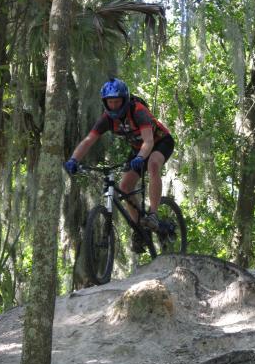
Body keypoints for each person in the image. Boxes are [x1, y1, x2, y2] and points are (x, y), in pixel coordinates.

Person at [64, 78, 174, 253]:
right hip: (139, 150)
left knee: (153, 164)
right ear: (105, 103)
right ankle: (140, 229)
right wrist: (73, 160)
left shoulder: (138, 111)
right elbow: (88, 141)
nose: (114, 105)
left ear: (125, 100)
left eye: (117, 101)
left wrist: (140, 157)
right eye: (110, 102)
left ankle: (153, 214)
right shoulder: (107, 119)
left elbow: (149, 140)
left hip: (160, 142)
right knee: (124, 186)